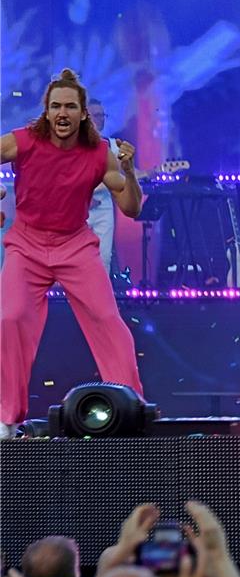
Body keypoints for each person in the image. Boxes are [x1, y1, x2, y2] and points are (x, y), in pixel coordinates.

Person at [0, 69, 145, 437]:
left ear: (83, 113)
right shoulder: (23, 141)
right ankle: (7, 418)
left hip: (74, 245)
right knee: (10, 317)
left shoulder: (99, 154)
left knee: (107, 320)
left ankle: (131, 408)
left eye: (69, 107)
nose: (62, 113)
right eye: (55, 106)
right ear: (46, 112)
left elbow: (131, 208)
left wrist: (129, 170)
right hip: (27, 244)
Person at [86, 99, 118, 273]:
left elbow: (128, 173)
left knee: (104, 257)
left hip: (103, 207)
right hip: (77, 206)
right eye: (96, 115)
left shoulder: (112, 145)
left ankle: (100, 298)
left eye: (102, 115)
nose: (101, 119)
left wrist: (155, 171)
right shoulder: (73, 143)